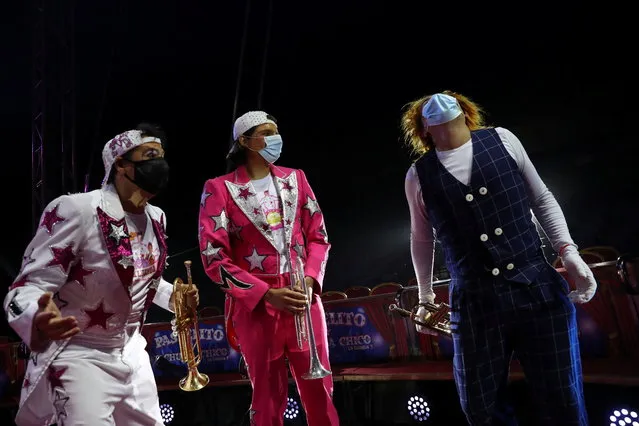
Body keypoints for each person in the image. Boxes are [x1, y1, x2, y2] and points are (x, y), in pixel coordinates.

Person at [402, 92, 596, 426]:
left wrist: (569, 252)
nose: (439, 104)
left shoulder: (503, 140)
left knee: (562, 399)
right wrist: (425, 296)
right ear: (423, 129)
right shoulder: (418, 175)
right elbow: (421, 238)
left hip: (536, 285)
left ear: (466, 113)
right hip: (475, 300)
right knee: (479, 407)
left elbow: (542, 198)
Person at [4, 124, 199, 426]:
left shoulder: (156, 217)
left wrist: (173, 297)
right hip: (81, 353)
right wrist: (36, 316)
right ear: (121, 164)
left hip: (132, 353)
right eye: (149, 156)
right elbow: (27, 287)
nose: (160, 165)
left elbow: (140, 279)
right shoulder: (77, 209)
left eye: (161, 156)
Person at [198, 111, 339, 425]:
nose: (276, 138)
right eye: (266, 132)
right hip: (257, 308)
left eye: (276, 130)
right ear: (245, 141)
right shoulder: (218, 188)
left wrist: (311, 278)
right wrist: (264, 294)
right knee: (266, 397)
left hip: (303, 299)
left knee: (320, 391)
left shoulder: (296, 178)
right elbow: (213, 258)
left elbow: (319, 236)